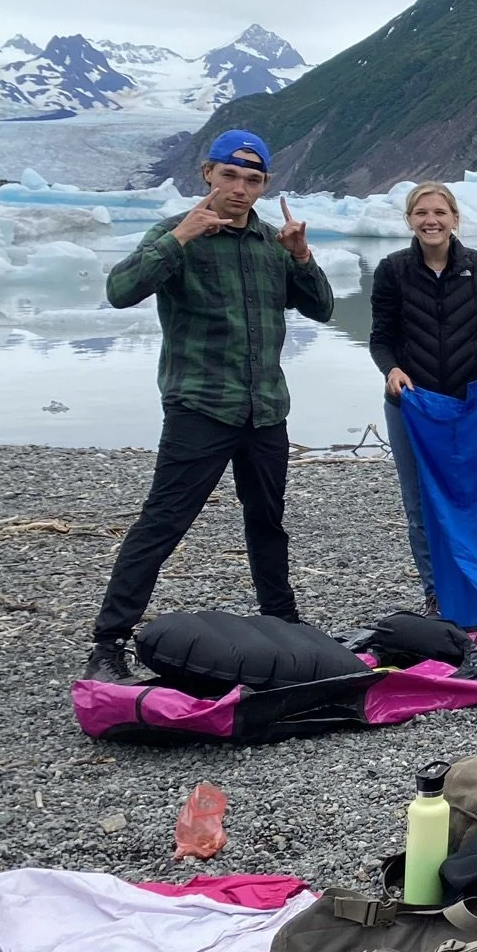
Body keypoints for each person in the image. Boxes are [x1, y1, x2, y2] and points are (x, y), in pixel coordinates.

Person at [84, 131, 334, 682]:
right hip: (200, 406)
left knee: (268, 522)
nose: (240, 189)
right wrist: (179, 238)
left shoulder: (272, 243)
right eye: (230, 176)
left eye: (252, 180)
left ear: (264, 184)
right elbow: (120, 290)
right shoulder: (176, 234)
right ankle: (108, 642)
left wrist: (301, 256)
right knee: (164, 523)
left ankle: (284, 623)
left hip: (264, 407)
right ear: (208, 174)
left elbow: (321, 308)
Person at [367, 181, 477, 613]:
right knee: (420, 504)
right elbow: (380, 339)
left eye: (439, 212)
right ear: (409, 220)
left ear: (454, 219)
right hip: (412, 405)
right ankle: (436, 591)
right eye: (421, 213)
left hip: (468, 404)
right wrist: (390, 369)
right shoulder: (392, 270)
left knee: (475, 497)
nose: (431, 221)